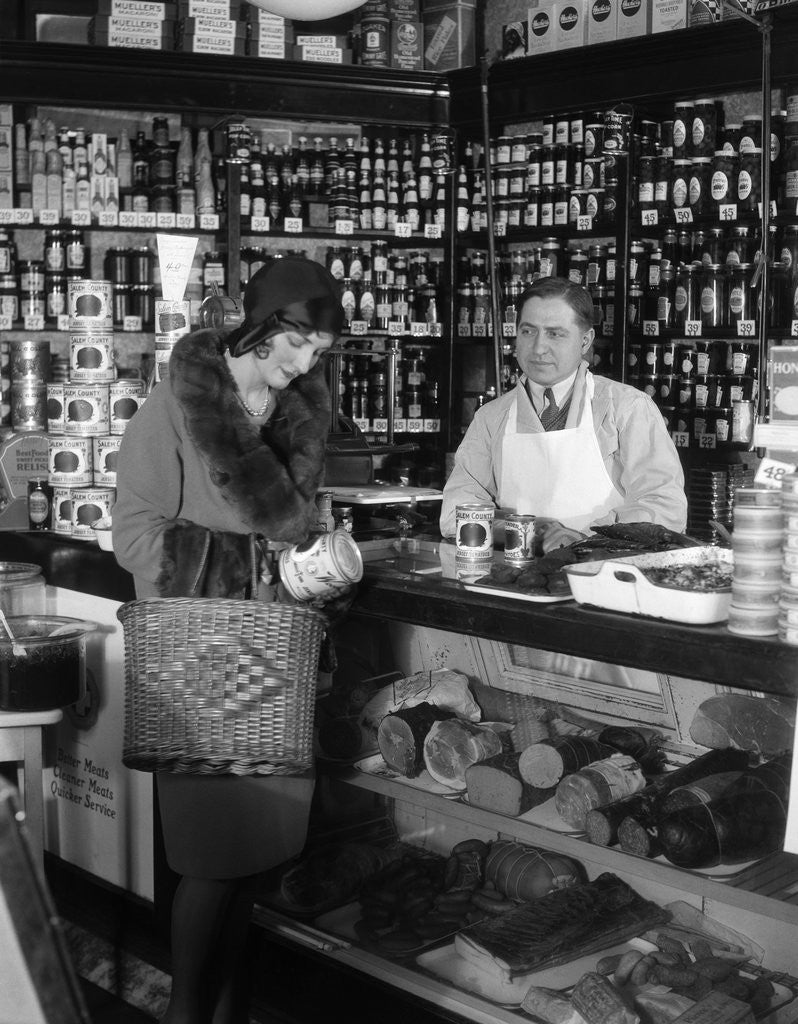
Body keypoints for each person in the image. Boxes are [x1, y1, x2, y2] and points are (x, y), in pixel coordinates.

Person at [112, 255, 344, 1024]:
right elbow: (136, 538)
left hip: (278, 657)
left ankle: (227, 1011)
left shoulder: (299, 413)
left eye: (319, 352)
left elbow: (296, 527)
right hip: (199, 662)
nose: (307, 364)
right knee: (210, 863)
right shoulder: (175, 407)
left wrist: (315, 560)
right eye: (298, 345)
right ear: (264, 325)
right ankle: (184, 1009)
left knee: (263, 859)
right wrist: (255, 562)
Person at [440, 276, 687, 552]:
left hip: (609, 578)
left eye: (555, 333)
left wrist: (584, 539)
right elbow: (454, 516)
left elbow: (665, 508)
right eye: (528, 331)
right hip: (514, 579)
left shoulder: (627, 409)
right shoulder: (490, 418)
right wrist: (527, 532)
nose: (538, 348)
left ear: (585, 341)